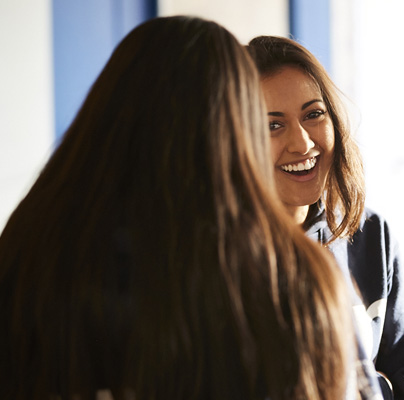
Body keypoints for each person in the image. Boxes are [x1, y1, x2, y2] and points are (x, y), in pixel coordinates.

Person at [0, 16, 358, 400]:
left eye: (313, 114)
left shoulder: (26, 248)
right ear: (227, 129)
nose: (300, 143)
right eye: (264, 124)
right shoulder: (280, 277)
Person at [246, 36, 404, 400]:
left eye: (313, 114)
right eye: (274, 125)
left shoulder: (369, 236)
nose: (302, 143)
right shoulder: (223, 256)